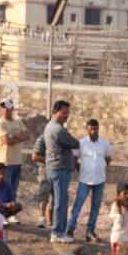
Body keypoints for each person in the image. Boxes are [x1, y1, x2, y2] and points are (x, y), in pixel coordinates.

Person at [68, 119, 112, 243]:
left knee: (95, 207)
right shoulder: (81, 143)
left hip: (100, 180)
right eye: (91, 129)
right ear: (87, 129)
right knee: (77, 206)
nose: (94, 131)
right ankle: (70, 230)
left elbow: (108, 158)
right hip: (84, 180)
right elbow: (74, 159)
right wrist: (82, 170)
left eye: (96, 129)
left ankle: (90, 232)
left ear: (98, 129)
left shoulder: (104, 143)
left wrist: (100, 167)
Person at [43, 100, 79, 243]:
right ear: (56, 112)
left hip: (54, 169)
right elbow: (75, 143)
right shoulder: (58, 130)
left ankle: (58, 230)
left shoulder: (51, 126)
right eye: (64, 113)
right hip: (59, 169)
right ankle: (58, 232)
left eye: (68, 113)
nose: (66, 116)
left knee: (58, 201)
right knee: (61, 202)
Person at [0, 97, 31, 207]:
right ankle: (3, 210)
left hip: (17, 161)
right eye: (4, 107)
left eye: (8, 107)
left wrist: (12, 135)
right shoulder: (0, 123)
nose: (6, 110)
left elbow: (27, 135)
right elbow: (6, 140)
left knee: (13, 189)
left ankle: (11, 210)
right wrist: (19, 137)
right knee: (4, 188)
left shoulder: (18, 122)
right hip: (6, 162)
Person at [32, 133, 53, 228]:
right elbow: (35, 156)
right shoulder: (42, 138)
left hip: (57, 171)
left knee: (55, 199)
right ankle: (42, 218)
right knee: (44, 194)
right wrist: (52, 160)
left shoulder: (60, 137)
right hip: (45, 170)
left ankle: (50, 222)